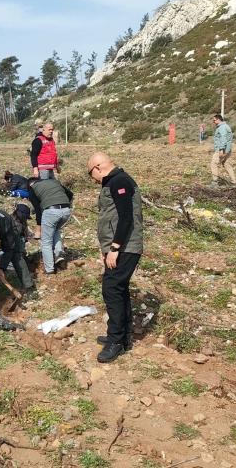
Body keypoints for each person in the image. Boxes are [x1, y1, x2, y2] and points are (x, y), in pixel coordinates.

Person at [87, 152, 144, 363]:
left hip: (126, 246)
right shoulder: (115, 181)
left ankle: (116, 341)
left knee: (111, 288)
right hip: (120, 246)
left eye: (90, 174)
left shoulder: (119, 181)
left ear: (97, 167)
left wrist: (115, 247)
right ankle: (124, 336)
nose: (93, 179)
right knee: (119, 288)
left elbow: (126, 217)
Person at [28, 177, 73, 274]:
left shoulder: (32, 188)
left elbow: (37, 210)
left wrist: (39, 228)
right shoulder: (53, 181)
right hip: (66, 210)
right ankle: (59, 256)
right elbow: (70, 194)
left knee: (46, 242)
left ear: (30, 184)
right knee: (55, 230)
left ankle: (50, 270)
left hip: (51, 211)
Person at [0, 204, 33, 290]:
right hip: (2, 246)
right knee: (16, 256)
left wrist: (1, 267)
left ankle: (27, 284)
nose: (26, 219)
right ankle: (28, 284)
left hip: (6, 244)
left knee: (16, 255)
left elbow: (10, 248)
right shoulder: (14, 225)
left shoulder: (8, 222)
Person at [210, 114, 236, 186]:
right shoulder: (225, 126)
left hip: (222, 149)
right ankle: (234, 181)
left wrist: (221, 149)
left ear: (218, 119)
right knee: (226, 164)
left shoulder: (222, 127)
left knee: (214, 164)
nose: (213, 122)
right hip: (227, 149)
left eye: (214, 120)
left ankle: (215, 182)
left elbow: (223, 138)